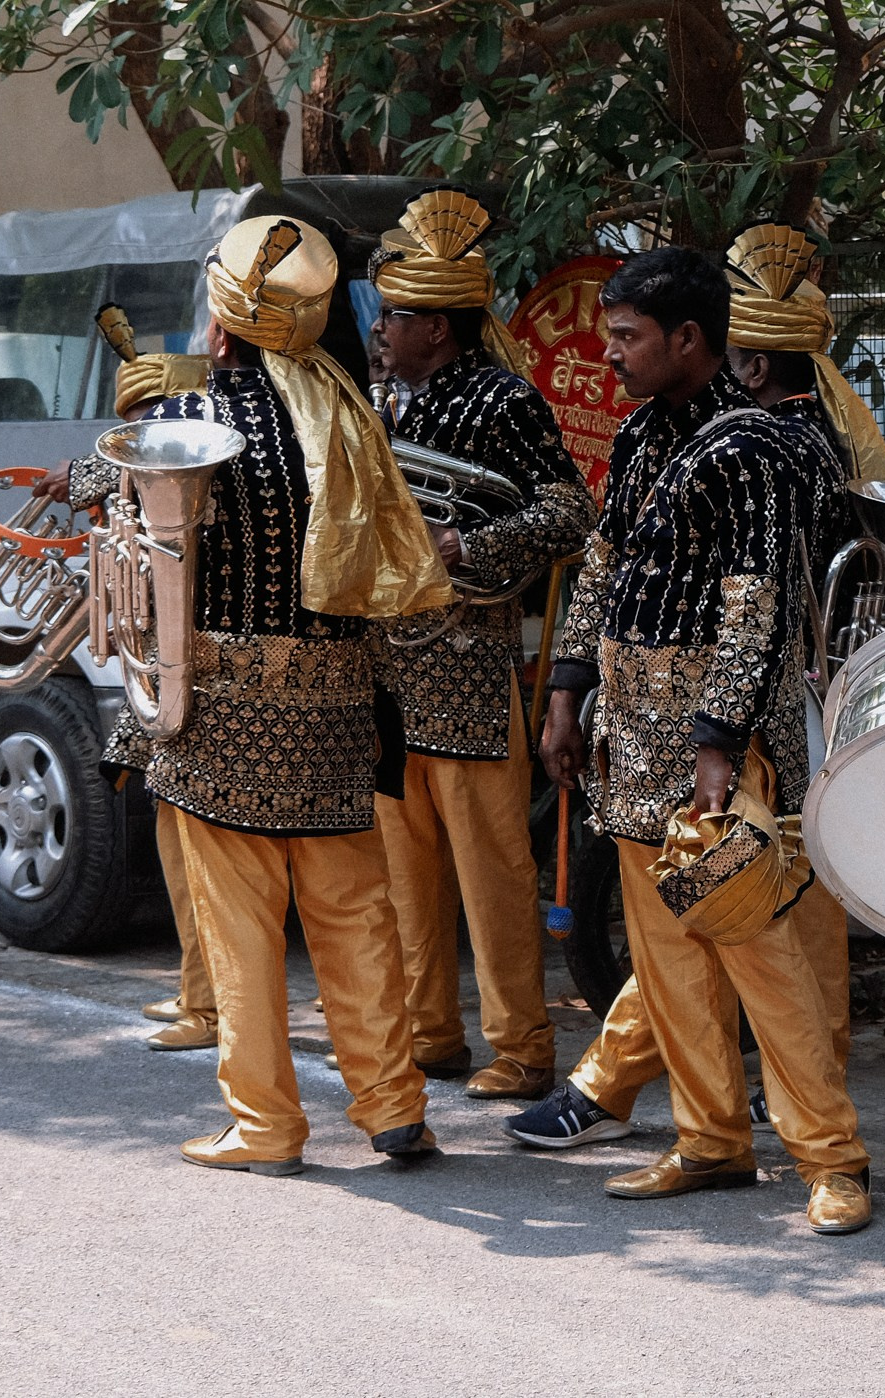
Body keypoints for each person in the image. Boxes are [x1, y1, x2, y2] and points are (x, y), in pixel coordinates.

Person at [69, 215, 455, 1174]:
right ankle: (394, 1108)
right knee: (355, 917)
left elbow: (106, 493)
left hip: (222, 710)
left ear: (222, 319)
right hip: (336, 708)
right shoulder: (351, 417)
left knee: (240, 930)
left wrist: (106, 442)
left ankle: (266, 1125)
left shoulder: (187, 419)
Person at [503, 223, 885, 1151]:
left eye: (627, 336)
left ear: (689, 339)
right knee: (672, 956)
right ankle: (707, 1142)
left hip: (725, 746)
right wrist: (565, 692)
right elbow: (601, 567)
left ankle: (829, 1156)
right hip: (632, 741)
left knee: (761, 956)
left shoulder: (758, 446)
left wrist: (718, 743)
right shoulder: (640, 434)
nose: (610, 354)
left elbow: (755, 607)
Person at [366, 191, 597, 1099]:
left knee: (493, 874)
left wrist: (469, 544)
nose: (381, 328)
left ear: (437, 326)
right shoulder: (383, 403)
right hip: (389, 669)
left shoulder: (504, 400)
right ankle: (431, 1035)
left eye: (395, 314)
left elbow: (572, 509)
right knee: (405, 874)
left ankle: (523, 1049)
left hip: (467, 667)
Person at [56, 304, 220, 1052]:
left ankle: (210, 1005)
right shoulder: (147, 458)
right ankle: (197, 991)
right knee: (174, 840)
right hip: (159, 670)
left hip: (194, 676)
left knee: (198, 852)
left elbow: (114, 463)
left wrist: (79, 475)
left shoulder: (190, 447)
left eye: (143, 421)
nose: (134, 437)